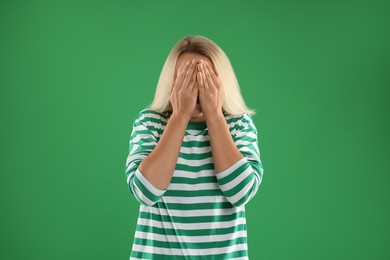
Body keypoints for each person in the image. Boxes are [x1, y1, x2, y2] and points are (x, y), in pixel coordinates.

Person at [125, 35, 264, 259]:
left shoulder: (239, 124)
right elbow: (145, 192)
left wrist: (215, 115)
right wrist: (180, 115)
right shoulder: (149, 122)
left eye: (205, 78)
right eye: (186, 78)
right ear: (171, 82)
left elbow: (241, 192)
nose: (196, 87)